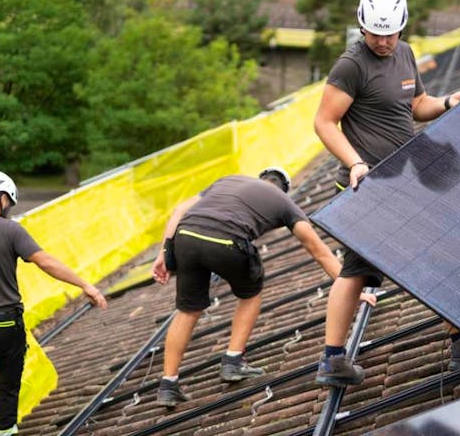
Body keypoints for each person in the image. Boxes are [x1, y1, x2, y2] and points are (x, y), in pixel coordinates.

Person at [313, 0, 460, 387]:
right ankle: (332, 360)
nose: (384, 41)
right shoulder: (351, 66)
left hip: (405, 178)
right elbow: (323, 122)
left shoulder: (405, 54)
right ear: (362, 25)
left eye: (389, 33)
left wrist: (446, 103)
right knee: (356, 271)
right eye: (375, 33)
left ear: (402, 26)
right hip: (366, 183)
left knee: (437, 248)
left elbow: (415, 106)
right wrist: (354, 162)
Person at [150, 168, 374, 406]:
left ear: (261, 179)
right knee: (250, 293)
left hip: (186, 237)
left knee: (188, 310)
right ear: (285, 188)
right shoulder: (285, 203)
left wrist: (164, 252)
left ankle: (168, 385)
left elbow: (179, 211)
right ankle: (233, 362)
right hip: (226, 239)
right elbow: (318, 250)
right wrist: (352, 291)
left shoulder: (228, 179)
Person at [0, 172, 108, 436]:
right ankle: (4, 430)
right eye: (9, 204)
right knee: (8, 384)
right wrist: (85, 285)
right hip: (6, 324)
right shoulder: (11, 230)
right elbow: (45, 262)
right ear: (3, 198)